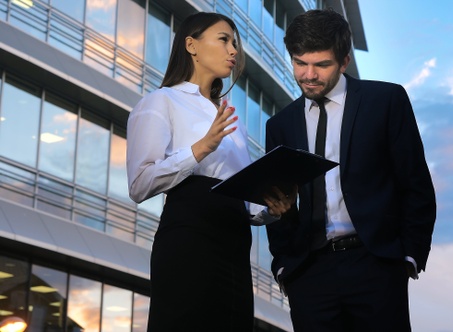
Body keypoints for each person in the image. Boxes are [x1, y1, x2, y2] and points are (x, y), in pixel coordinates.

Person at [265, 8, 437, 332]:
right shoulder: (280, 125)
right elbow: (280, 202)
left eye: (321, 65)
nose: (309, 74)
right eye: (300, 63)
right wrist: (284, 266)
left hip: (376, 265)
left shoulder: (386, 100)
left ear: (344, 62)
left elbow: (415, 183)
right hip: (309, 273)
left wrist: (409, 258)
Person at [126, 12, 295, 331]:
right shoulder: (161, 102)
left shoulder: (232, 119)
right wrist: (199, 148)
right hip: (189, 238)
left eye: (235, 43)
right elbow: (139, 184)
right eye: (224, 40)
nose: (234, 50)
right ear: (192, 45)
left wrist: (271, 210)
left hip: (234, 245)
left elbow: (243, 203)